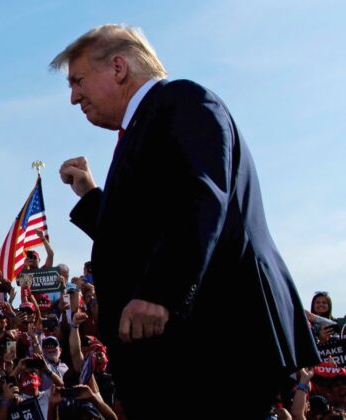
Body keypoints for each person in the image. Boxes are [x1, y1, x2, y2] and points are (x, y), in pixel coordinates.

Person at [54, 23, 319, 418]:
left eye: (78, 81)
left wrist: (162, 291)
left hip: (216, 343)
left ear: (118, 67)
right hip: (184, 352)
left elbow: (201, 194)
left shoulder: (184, 101)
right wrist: (93, 199)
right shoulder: (146, 124)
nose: (74, 97)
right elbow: (146, 232)